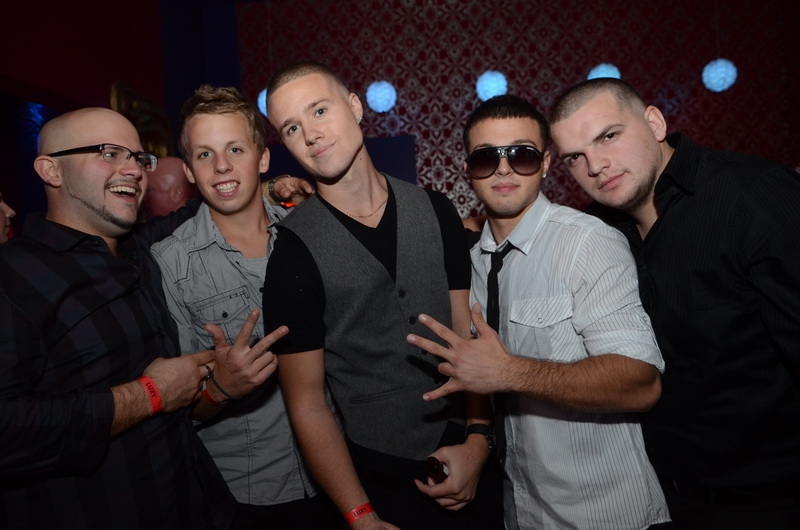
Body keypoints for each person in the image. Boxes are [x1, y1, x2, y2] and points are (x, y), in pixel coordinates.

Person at [0, 107, 286, 529]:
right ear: (51, 170)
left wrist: (273, 185)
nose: (133, 169)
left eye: (138, 157)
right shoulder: (14, 277)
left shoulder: (141, 248)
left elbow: (211, 201)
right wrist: (149, 394)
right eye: (109, 153)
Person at [406, 94, 669, 529]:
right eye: (486, 157)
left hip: (607, 515)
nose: (504, 169)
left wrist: (509, 372)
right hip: (521, 511)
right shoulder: (468, 265)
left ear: (545, 163)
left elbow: (641, 384)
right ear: (468, 170)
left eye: (522, 155)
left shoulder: (587, 243)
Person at [548, 77, 800, 529]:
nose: (596, 165)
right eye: (575, 157)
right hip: (663, 502)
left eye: (609, 136)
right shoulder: (596, 235)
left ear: (655, 123)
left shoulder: (753, 194)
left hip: (773, 500)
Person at [262, 61, 503, 530]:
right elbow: (307, 404)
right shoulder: (292, 255)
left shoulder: (436, 209)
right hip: (380, 482)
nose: (310, 134)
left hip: (471, 460)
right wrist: (361, 516)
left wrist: (479, 441)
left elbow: (467, 337)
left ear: (355, 107)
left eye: (319, 110)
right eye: (292, 127)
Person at [151, 84, 336, 530]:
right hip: (246, 495)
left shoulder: (309, 232)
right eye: (205, 154)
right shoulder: (170, 262)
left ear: (263, 159)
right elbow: (177, 408)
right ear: (189, 171)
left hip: (336, 472)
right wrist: (220, 389)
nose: (222, 166)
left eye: (235, 149)